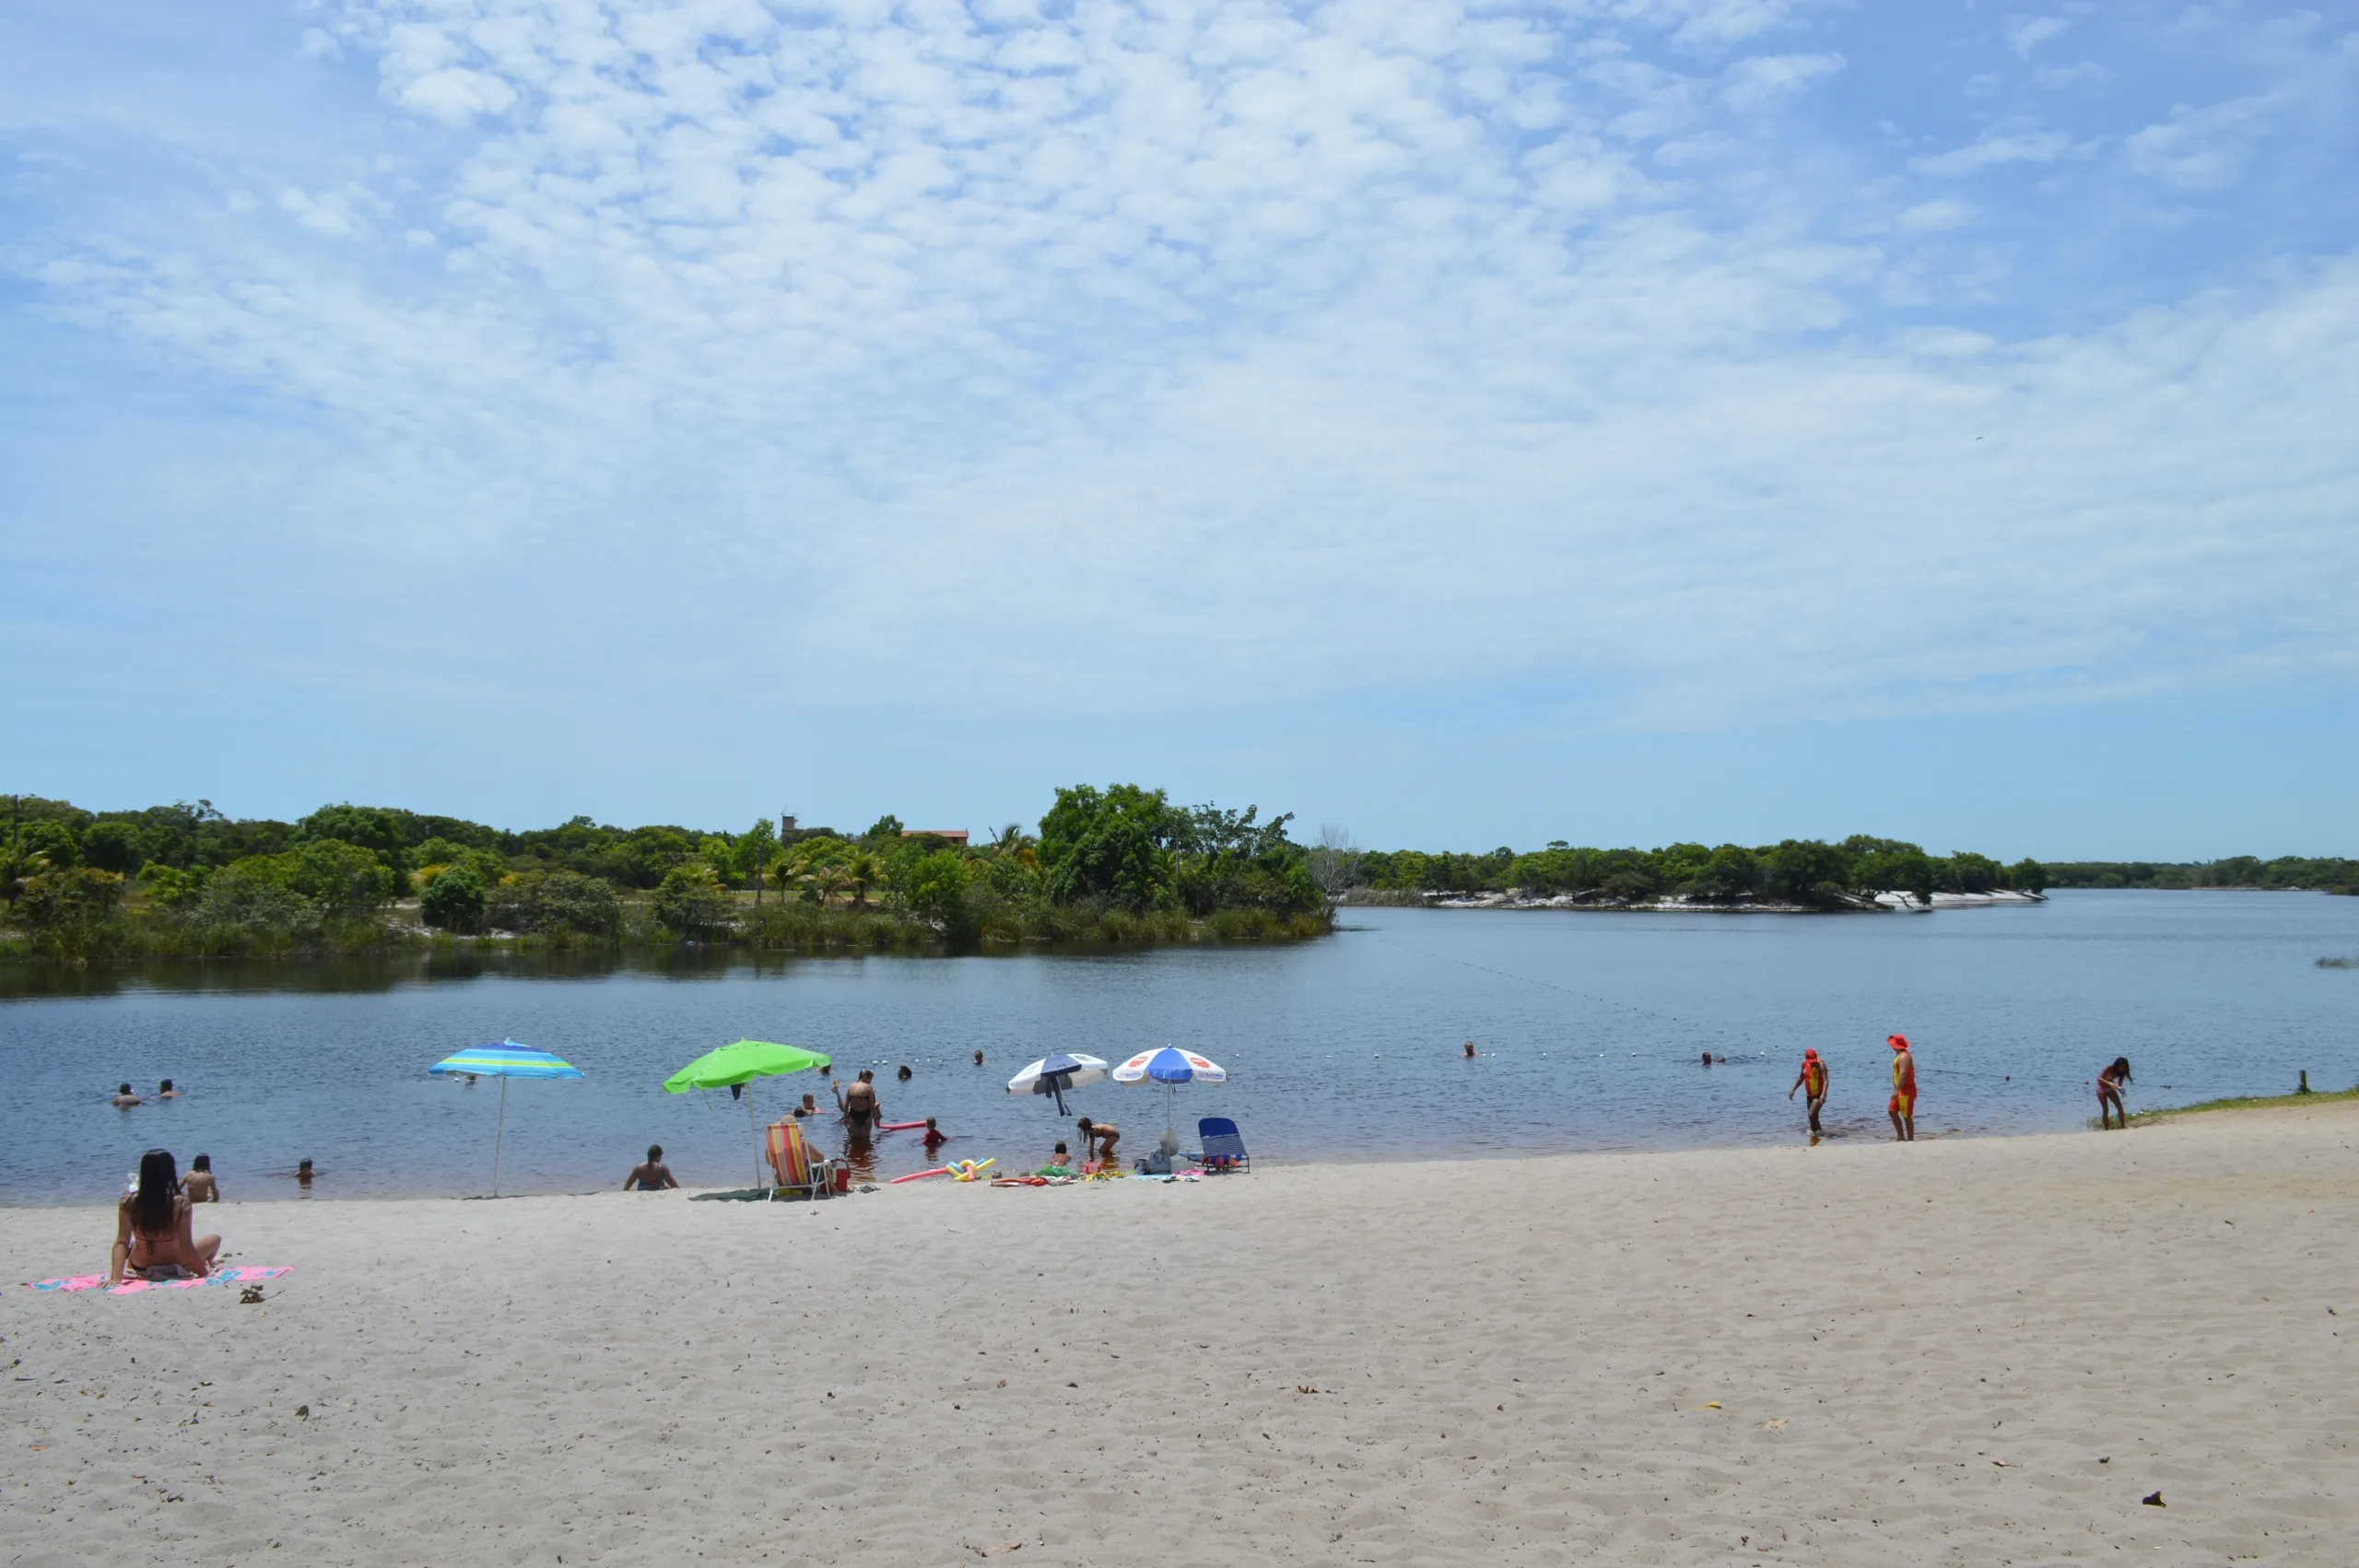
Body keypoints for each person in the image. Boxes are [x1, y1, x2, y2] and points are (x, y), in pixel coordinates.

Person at [109, 1149, 219, 1285]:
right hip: (175, 1264)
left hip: (139, 1265)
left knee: (133, 1244)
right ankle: (209, 1262)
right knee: (215, 1239)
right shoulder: (180, 1203)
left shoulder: (129, 1201)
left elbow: (121, 1242)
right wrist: (203, 1273)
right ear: (170, 1172)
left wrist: (116, 1277)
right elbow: (186, 1246)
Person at [1789, 1049, 1829, 1138]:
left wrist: (1823, 1094)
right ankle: (1818, 1135)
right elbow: (1801, 1078)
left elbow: (1825, 1081)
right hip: (1809, 1096)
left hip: (1818, 1096)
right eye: (1811, 1061)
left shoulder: (1821, 1066)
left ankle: (1816, 1134)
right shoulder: (1804, 1064)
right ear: (1806, 1058)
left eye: (1814, 1061)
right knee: (1814, 1118)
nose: (1812, 1063)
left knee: (1811, 1115)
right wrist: (1793, 1090)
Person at [1887, 1035, 1917, 1141]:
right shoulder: (1899, 1055)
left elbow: (1903, 1074)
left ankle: (1910, 1140)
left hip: (1905, 1091)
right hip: (1900, 1090)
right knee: (1892, 1111)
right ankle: (1900, 1136)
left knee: (1906, 1116)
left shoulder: (1904, 1056)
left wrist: (1896, 1090)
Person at [2097, 1056, 2132, 1130]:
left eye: (2124, 1066)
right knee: (2106, 1109)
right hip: (2101, 1088)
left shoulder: (2122, 1073)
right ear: (2117, 1064)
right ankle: (2106, 1128)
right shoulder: (2109, 1068)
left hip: (2110, 1089)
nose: (2122, 1068)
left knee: (2119, 1106)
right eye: (2121, 1066)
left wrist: (2120, 1088)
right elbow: (2099, 1079)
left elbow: (2119, 1084)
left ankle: (2123, 1126)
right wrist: (2110, 1084)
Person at [842, 1070, 880, 1137]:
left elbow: (846, 1105)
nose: (870, 1082)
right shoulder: (869, 1088)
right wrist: (876, 1119)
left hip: (853, 1116)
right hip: (866, 1117)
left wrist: (845, 1119)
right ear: (865, 1077)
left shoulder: (850, 1087)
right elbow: (872, 1106)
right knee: (866, 1140)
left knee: (854, 1141)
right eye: (870, 1079)